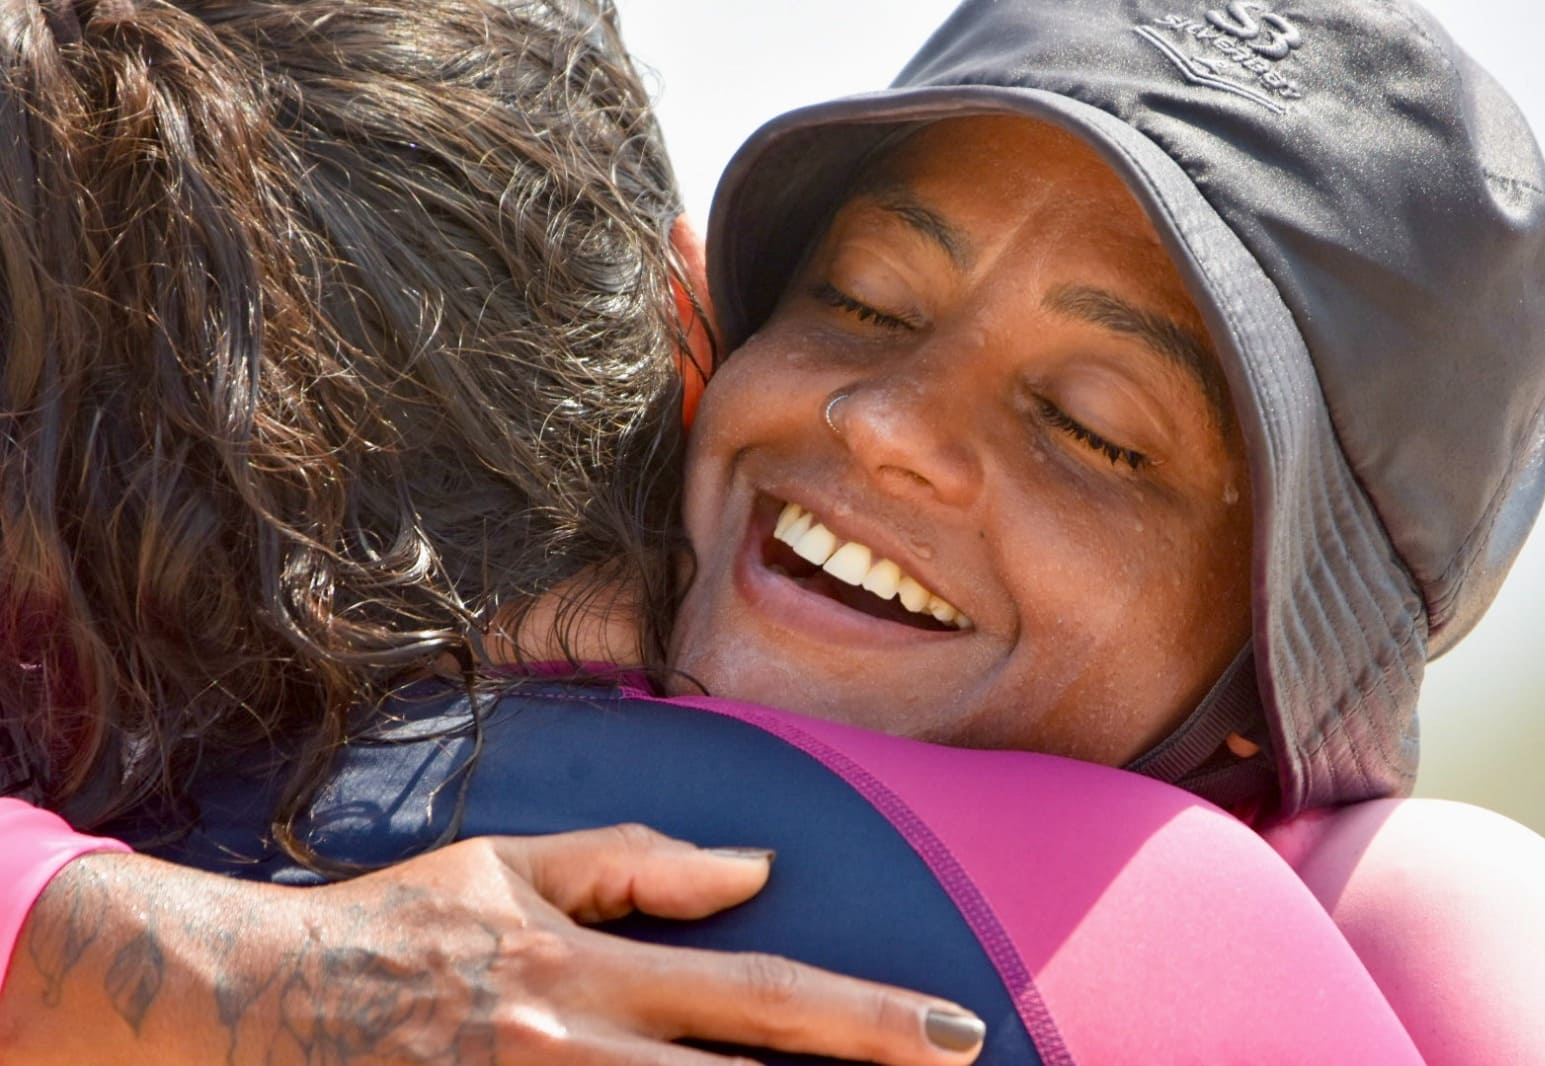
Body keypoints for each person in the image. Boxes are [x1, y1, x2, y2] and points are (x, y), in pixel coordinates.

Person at [159, 0, 1545, 1063]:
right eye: (865, 299)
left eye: (1095, 426)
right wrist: (210, 960)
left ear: (1270, 678)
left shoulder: (1392, 928)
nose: (889, 422)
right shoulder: (393, 656)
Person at [0, 0, 987, 1062]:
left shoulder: (105, 792)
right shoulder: (1093, 908)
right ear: (689, 315)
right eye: (865, 304)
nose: (890, 437)